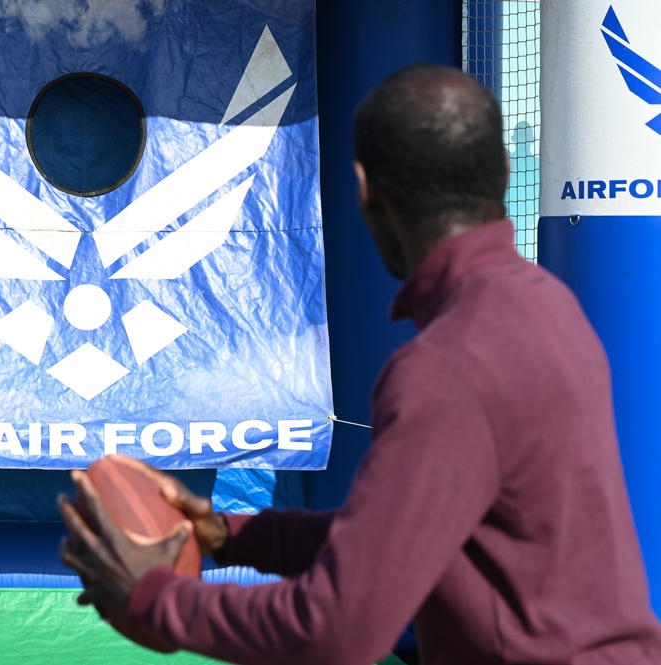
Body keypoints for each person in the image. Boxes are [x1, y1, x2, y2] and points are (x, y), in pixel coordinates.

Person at [58, 63, 661, 664]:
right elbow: (403, 538)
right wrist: (229, 535)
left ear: (365, 189)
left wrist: (153, 597)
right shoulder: (548, 306)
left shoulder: (447, 366)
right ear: (503, 173)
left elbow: (335, 631)